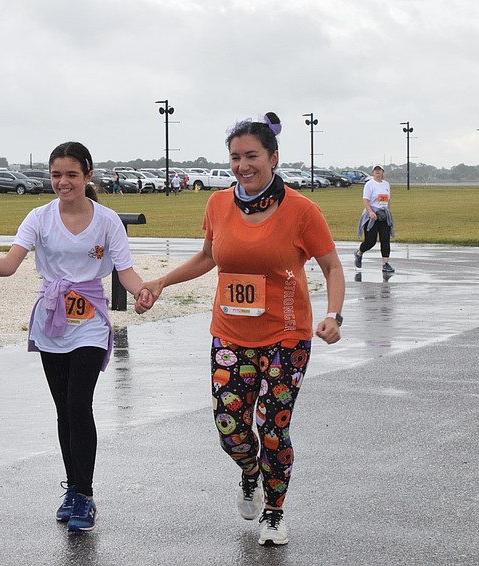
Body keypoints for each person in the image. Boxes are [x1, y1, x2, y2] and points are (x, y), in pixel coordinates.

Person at [135, 113, 345, 546]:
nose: (243, 165)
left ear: (273, 157)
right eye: (235, 157)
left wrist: (334, 315)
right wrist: (161, 282)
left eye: (252, 156)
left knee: (272, 427)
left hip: (287, 335)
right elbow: (208, 257)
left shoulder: (302, 210)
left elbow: (331, 266)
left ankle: (274, 510)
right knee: (231, 427)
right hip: (230, 335)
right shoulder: (217, 204)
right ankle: (251, 473)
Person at [0, 142, 147, 533]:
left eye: (71, 175)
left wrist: (142, 292)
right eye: (56, 175)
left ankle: (84, 493)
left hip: (91, 321)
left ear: (88, 176)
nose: (63, 183)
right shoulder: (39, 217)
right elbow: (11, 264)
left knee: (79, 403)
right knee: (64, 408)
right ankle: (73, 490)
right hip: (52, 321)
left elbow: (126, 271)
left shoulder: (107, 220)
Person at [354, 165, 395, 272]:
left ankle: (385, 264)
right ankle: (359, 253)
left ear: (382, 172)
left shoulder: (386, 184)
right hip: (371, 215)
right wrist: (371, 212)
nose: (377, 172)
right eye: (375, 170)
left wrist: (388, 212)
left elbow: (388, 200)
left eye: (379, 170)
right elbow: (366, 200)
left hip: (383, 215)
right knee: (370, 241)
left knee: (385, 239)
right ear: (373, 172)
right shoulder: (369, 184)